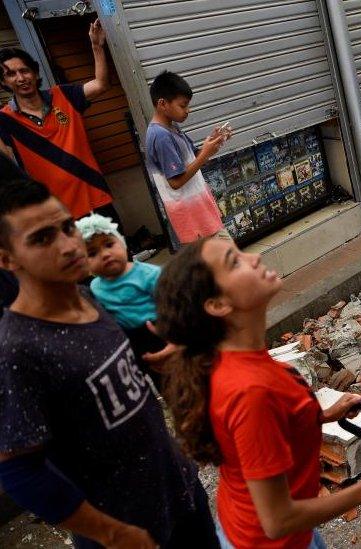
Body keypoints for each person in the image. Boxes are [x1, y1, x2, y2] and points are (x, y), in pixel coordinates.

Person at [0, 176, 219, 548]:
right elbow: (19, 469)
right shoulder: (17, 350)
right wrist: (112, 534)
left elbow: (113, 374)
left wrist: (171, 355)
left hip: (179, 491)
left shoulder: (91, 298)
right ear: (6, 258)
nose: (69, 246)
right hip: (125, 530)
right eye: (42, 238)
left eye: (68, 227)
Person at [154, 237, 361, 548]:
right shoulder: (250, 392)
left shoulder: (238, 360)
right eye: (235, 262)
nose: (255, 257)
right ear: (218, 305)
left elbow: (265, 432)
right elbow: (277, 521)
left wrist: (324, 415)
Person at [0, 23, 117, 223]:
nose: (21, 78)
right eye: (11, 74)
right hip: (56, 214)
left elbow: (100, 84)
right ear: (3, 83)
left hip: (96, 198)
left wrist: (97, 47)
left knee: (118, 254)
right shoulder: (4, 120)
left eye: (24, 70)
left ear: (35, 74)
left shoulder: (64, 95)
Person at [77, 212, 167, 384]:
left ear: (123, 243)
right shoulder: (95, 287)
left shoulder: (148, 274)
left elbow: (173, 306)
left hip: (158, 332)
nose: (104, 254)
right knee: (156, 383)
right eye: (93, 253)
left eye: (109, 244)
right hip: (128, 344)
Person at [146, 71, 232, 245]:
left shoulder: (172, 128)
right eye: (183, 105)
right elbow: (176, 181)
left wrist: (214, 144)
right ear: (162, 104)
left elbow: (194, 159)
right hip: (194, 223)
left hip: (202, 218)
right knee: (231, 265)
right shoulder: (160, 136)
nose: (188, 110)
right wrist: (206, 153)